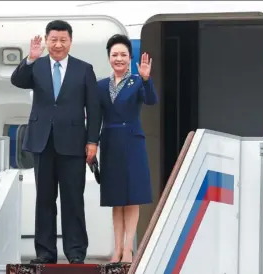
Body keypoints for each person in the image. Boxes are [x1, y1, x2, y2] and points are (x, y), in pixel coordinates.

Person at [10, 20, 101, 264]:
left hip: (73, 143)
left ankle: (75, 253)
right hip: (42, 142)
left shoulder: (84, 69)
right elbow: (16, 80)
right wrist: (29, 58)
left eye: (63, 40)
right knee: (44, 200)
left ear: (70, 41)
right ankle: (45, 253)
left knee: (73, 200)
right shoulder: (36, 66)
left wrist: (93, 141)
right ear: (47, 40)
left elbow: (93, 109)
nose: (58, 44)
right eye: (54, 39)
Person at [97, 34, 157, 264]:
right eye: (115, 55)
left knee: (132, 197)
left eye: (123, 55)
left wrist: (146, 79)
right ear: (109, 58)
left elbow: (151, 100)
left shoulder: (137, 81)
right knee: (116, 198)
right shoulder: (101, 85)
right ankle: (117, 248)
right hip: (110, 142)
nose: (119, 59)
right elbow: (95, 116)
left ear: (130, 58)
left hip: (133, 142)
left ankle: (129, 248)